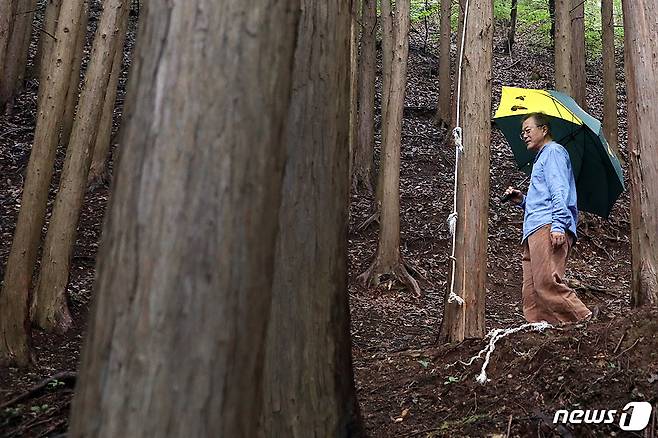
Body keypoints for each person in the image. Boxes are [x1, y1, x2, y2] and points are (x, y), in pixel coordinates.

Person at [504, 113, 593, 324]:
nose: (524, 135)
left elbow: (559, 191)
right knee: (531, 291)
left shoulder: (553, 152)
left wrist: (559, 225)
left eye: (528, 130)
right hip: (533, 228)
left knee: (546, 283)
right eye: (522, 132)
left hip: (548, 225)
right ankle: (540, 331)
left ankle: (585, 319)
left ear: (544, 130)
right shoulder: (542, 157)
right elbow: (542, 198)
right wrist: (522, 200)